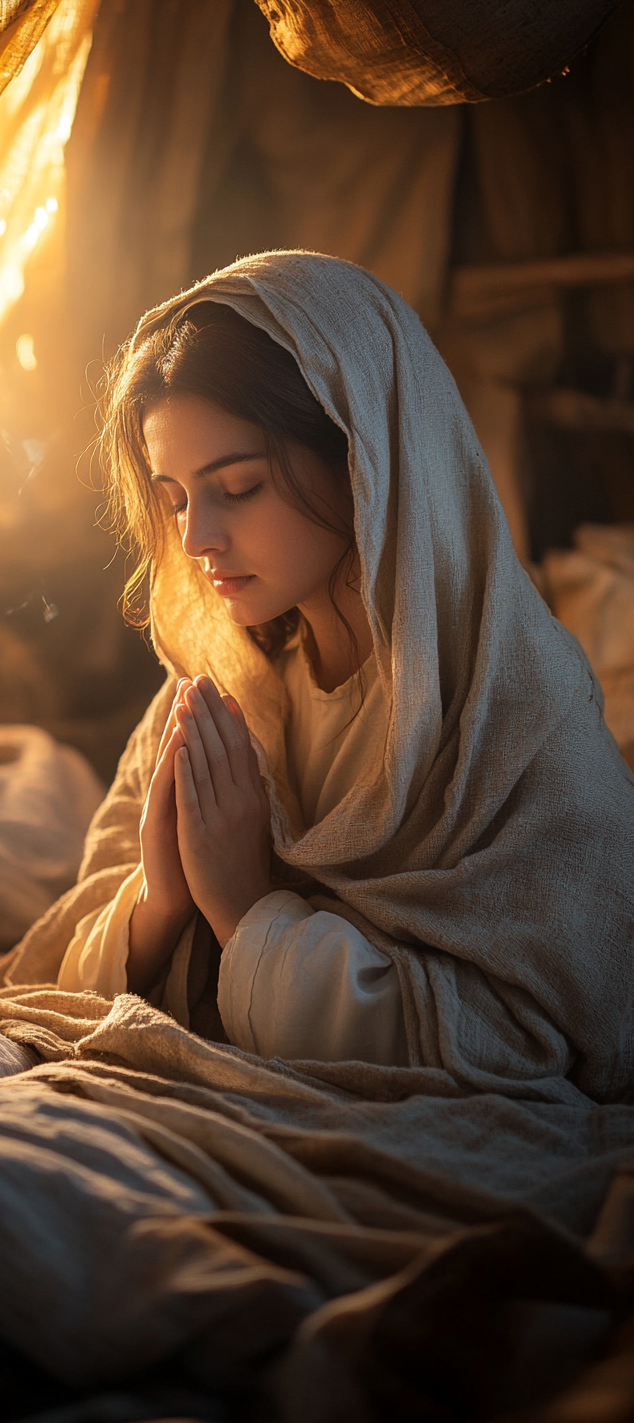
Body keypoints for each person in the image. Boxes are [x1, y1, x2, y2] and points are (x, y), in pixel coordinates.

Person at [59, 251, 634, 1099]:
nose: (194, 539)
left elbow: (545, 1031)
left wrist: (246, 910)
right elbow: (71, 961)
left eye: (240, 486)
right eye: (176, 498)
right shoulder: (224, 693)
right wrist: (161, 900)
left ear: (366, 460)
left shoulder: (514, 722)